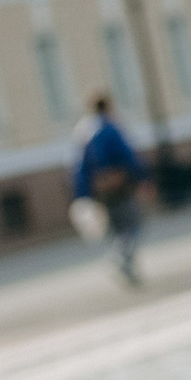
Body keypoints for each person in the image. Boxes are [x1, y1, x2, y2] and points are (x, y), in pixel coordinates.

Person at [71, 94, 148, 288]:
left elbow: (80, 165)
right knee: (133, 224)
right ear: (108, 106)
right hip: (119, 183)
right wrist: (143, 177)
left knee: (116, 227)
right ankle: (122, 259)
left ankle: (123, 262)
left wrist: (82, 193)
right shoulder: (110, 128)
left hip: (99, 188)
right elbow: (127, 154)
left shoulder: (84, 131)